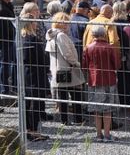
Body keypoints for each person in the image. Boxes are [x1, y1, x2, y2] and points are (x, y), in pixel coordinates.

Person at [45, 12, 86, 126]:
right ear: (62, 24)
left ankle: (65, 120)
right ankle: (78, 119)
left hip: (58, 69)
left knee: (63, 95)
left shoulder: (51, 36)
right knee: (75, 94)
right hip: (68, 69)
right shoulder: (61, 36)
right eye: (67, 23)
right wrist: (76, 63)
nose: (69, 25)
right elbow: (67, 53)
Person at [83, 26, 122, 142]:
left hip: (93, 80)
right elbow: (116, 64)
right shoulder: (109, 48)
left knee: (97, 109)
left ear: (93, 35)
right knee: (107, 109)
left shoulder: (88, 48)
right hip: (108, 79)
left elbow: (84, 65)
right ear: (104, 34)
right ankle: (107, 134)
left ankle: (98, 134)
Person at [20, 13, 48, 141]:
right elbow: (35, 58)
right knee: (34, 102)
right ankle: (33, 131)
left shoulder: (23, 37)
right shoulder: (30, 39)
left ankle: (29, 129)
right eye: (35, 22)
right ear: (30, 24)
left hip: (29, 73)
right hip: (35, 74)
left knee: (30, 102)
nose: (36, 24)